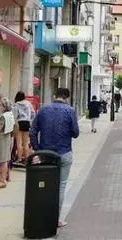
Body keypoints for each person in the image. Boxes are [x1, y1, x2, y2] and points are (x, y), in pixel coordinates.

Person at [30, 87, 80, 228]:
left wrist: (38, 149)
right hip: (64, 153)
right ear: (67, 98)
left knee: (44, 185)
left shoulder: (44, 109)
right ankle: (55, 219)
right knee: (61, 186)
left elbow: (32, 131)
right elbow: (76, 133)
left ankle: (42, 216)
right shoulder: (70, 110)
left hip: (46, 154)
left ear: (54, 95)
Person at [0, 97, 15, 189]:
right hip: (7, 138)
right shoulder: (10, 115)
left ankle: (2, 181)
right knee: (5, 159)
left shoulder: (3, 116)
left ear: (3, 106)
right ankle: (5, 178)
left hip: (2, 139)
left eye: (0, 104)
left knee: (2, 161)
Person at [13, 91, 34, 163]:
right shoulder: (29, 104)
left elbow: (15, 116)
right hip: (27, 123)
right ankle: (27, 159)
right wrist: (30, 121)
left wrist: (15, 124)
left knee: (19, 142)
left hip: (19, 123)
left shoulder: (16, 104)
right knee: (26, 143)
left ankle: (19, 159)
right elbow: (33, 113)